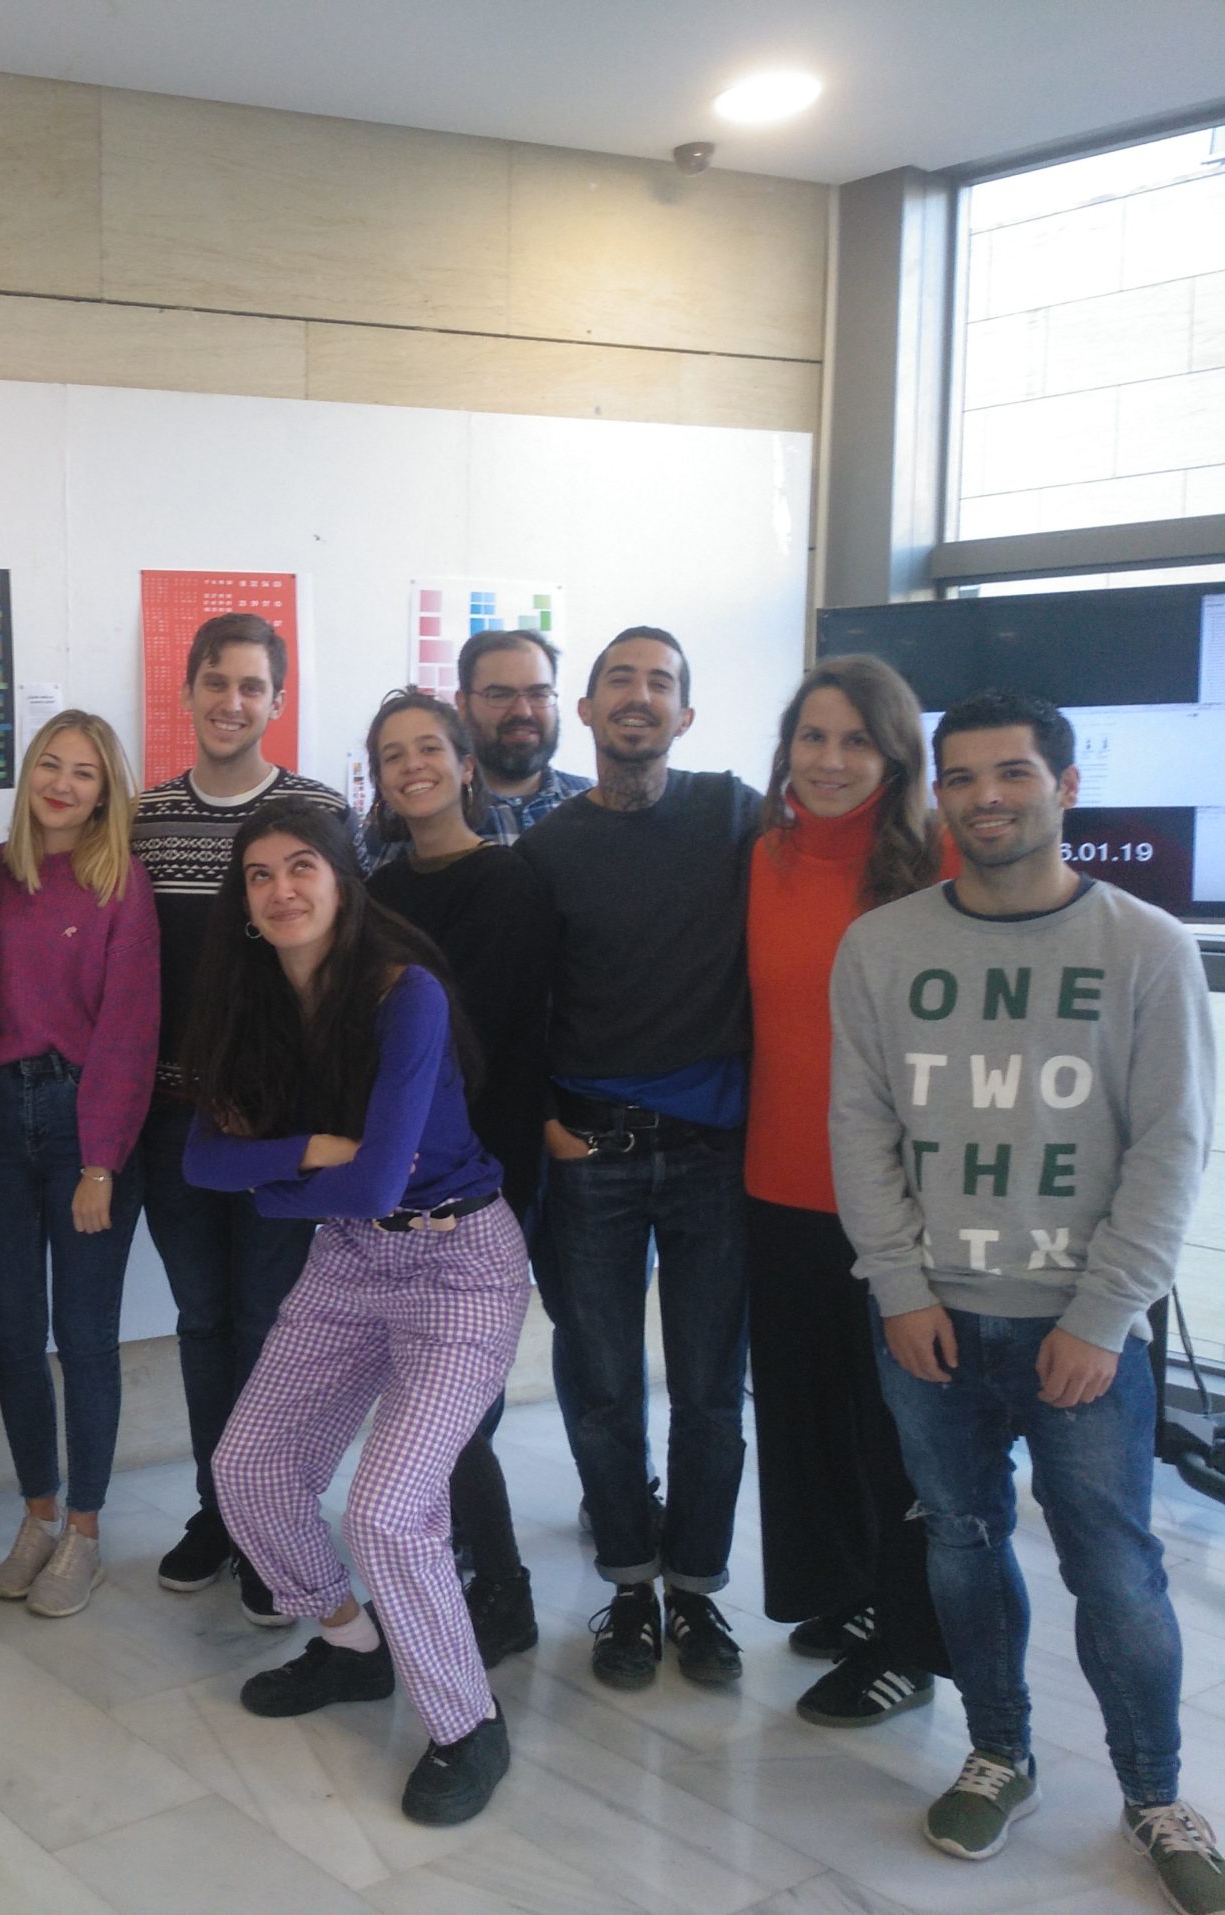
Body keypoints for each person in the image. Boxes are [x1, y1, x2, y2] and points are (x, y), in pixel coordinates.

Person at [832, 689, 1225, 1907]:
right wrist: (899, 1286)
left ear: (1065, 786)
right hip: (931, 1318)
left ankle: (1155, 1795)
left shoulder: (1147, 946)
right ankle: (998, 1752)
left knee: (1114, 1567)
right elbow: (861, 1126)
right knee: (959, 1539)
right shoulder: (880, 946)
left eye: (1010, 772)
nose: (984, 797)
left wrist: (1100, 1317)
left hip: (1079, 1328)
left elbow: (1171, 1148)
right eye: (959, 776)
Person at [188, 802, 529, 1828]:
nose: (281, 889)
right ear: (243, 901)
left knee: (387, 1510)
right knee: (247, 1469)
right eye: (259, 875)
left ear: (343, 880)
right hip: (347, 1261)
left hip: (459, 1266)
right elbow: (202, 1158)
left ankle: (467, 1723)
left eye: (302, 866)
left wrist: (274, 1187)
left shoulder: (403, 993)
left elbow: (380, 1179)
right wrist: (305, 1152)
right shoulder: (251, 1000)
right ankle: (351, 1643)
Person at [516, 626, 761, 1690]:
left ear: (685, 714)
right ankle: (627, 1585)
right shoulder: (545, 852)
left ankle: (697, 1592)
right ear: (585, 709)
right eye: (619, 678)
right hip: (591, 1156)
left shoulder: (732, 812)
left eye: (661, 681)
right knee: (606, 1388)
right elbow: (513, 1006)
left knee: (709, 1392)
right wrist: (541, 1123)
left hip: (713, 1156)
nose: (639, 695)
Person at [132, 612, 356, 1622]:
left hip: (277, 1130)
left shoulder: (316, 811)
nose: (232, 702)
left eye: (252, 686)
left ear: (276, 699)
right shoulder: (145, 818)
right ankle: (218, 1512)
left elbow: (340, 969)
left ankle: (277, 1520)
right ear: (186, 690)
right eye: (215, 681)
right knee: (203, 1320)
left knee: (273, 1324)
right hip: (174, 1123)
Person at [745, 658, 954, 1728]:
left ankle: (911, 1645)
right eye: (812, 738)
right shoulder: (763, 856)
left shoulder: (940, 862)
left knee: (901, 1434)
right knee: (809, 1421)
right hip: (777, 1186)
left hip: (901, 1203)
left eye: (856, 741)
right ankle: (852, 1596)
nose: (829, 761)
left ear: (896, 756)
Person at [362, 690, 554, 1667]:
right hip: (396, 1173)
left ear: (466, 764)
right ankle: (447, 1561)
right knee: (421, 1387)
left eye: (429, 748)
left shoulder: (507, 881)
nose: (413, 766)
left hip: (477, 1173)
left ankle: (501, 1586)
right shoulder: (381, 888)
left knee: (450, 1394)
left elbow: (484, 1040)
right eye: (392, 755)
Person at [0, 711, 159, 1620]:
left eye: (85, 772)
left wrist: (102, 1162)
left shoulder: (121, 882)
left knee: (83, 1337)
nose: (63, 784)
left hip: (86, 1122)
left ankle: (84, 1528)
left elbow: (130, 1029)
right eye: (51, 763)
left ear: (105, 790)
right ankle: (38, 1512)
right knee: (11, 1334)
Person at [367, 628, 591, 870]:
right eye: (500, 695)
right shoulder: (411, 813)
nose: (523, 711)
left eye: (539, 694)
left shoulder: (593, 804)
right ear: (463, 703)